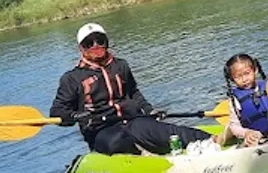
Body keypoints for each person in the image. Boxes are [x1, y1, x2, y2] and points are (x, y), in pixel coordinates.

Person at [49, 22, 214, 155]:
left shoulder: (121, 65)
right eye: (89, 43)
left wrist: (149, 110)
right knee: (117, 141)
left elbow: (134, 93)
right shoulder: (71, 78)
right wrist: (76, 115)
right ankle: (145, 155)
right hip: (101, 131)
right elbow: (57, 112)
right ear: (81, 48)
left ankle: (214, 140)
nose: (96, 45)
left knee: (166, 131)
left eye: (100, 41)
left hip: (133, 120)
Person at [217, 53, 268, 147]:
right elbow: (234, 126)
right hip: (255, 134)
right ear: (232, 79)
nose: (244, 79)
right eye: (238, 77)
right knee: (251, 142)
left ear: (255, 70)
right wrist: (246, 133)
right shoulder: (235, 100)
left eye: (247, 73)